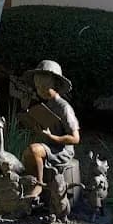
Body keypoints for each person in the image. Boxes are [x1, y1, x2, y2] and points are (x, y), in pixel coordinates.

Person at [19, 60, 80, 199]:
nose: (39, 90)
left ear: (54, 85)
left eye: (43, 87)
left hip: (62, 150)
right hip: (49, 146)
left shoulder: (64, 107)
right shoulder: (47, 105)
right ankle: (30, 183)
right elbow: (46, 129)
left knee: (34, 150)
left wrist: (52, 137)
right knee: (27, 153)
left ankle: (39, 185)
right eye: (37, 87)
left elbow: (75, 138)